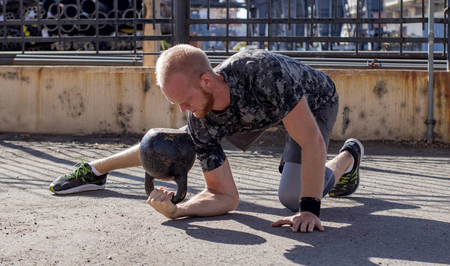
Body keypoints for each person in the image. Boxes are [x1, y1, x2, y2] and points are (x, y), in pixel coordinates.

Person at [49, 44, 364, 233]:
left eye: (185, 100)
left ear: (206, 80)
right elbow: (224, 196)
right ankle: (95, 169)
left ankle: (346, 159)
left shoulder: (262, 72)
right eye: (178, 105)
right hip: (253, 111)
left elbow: (310, 139)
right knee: (189, 132)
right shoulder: (200, 111)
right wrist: (179, 209)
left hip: (311, 101)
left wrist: (310, 209)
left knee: (293, 198)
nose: (184, 109)